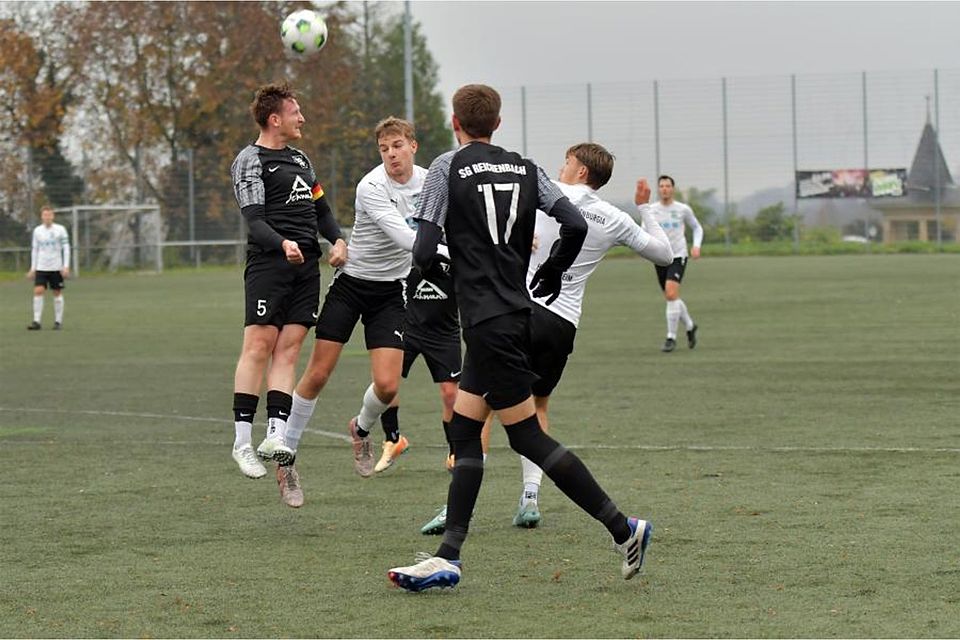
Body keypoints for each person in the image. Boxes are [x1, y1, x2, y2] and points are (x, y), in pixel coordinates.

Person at [388, 85, 654, 592]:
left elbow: (422, 250)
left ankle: (625, 530)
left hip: (489, 323)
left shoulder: (446, 167)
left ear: (455, 122)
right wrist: (552, 271)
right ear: (498, 123)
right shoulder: (527, 168)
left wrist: (448, 264)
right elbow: (573, 222)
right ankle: (449, 557)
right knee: (465, 432)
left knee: (526, 435)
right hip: (511, 314)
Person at [419, 143, 673, 536]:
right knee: (535, 407)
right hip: (562, 325)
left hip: (516, 313)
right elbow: (664, 254)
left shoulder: (541, 193)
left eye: (568, 161)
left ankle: (454, 513)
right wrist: (647, 209)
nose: (562, 166)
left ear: (581, 170)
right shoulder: (612, 216)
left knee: (479, 410)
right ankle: (530, 498)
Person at [281, 116, 448, 485]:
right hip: (352, 284)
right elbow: (408, 239)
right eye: (384, 149)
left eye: (398, 146)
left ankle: (360, 428)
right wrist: (463, 256)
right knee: (319, 373)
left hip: (391, 291)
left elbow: (453, 222)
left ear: (413, 146)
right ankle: (286, 456)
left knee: (388, 386)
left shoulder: (431, 183)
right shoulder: (371, 186)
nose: (391, 155)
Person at [228, 83, 347, 512]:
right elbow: (254, 221)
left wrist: (336, 240)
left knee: (290, 348)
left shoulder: (300, 160)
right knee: (259, 346)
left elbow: (321, 210)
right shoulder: (250, 161)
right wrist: (281, 244)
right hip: (269, 265)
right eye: (296, 112)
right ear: (274, 118)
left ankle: (275, 431)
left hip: (306, 268)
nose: (302, 118)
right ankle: (242, 442)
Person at [646, 175, 703, 352]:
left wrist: (696, 246)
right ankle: (691, 326)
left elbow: (697, 227)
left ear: (673, 189)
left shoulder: (682, 209)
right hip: (660, 257)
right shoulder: (651, 210)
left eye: (667, 186)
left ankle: (671, 338)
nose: (664, 189)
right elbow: (642, 230)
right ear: (658, 189)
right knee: (672, 297)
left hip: (678, 256)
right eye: (661, 186)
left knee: (671, 294)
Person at [26, 207, 70, 330]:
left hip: (56, 267)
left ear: (53, 216)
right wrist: (33, 268)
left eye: (49, 215)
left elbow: (66, 248)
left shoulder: (60, 229)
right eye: (45, 215)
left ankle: (58, 321)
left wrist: (65, 266)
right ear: (41, 217)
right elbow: (35, 250)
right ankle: (36, 321)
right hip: (41, 267)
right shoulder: (37, 231)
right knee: (38, 291)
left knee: (57, 292)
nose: (47, 217)